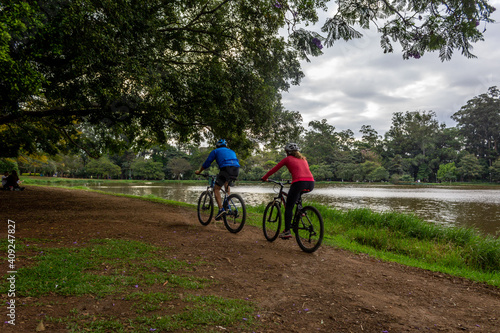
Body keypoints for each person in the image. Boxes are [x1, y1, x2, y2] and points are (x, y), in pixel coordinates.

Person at [261, 143, 314, 239]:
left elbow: (274, 169)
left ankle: (287, 231)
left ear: (287, 152)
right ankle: (300, 211)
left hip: (299, 183)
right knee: (297, 195)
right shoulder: (303, 159)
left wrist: (265, 177)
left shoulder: (287, 159)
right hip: (311, 183)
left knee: (289, 206)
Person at [195, 139, 240, 220]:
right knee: (226, 184)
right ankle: (228, 205)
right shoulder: (231, 151)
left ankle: (221, 209)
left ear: (217, 145)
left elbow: (207, 163)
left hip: (226, 169)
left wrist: (199, 171)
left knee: (216, 189)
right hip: (236, 170)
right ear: (225, 145)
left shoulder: (215, 151)